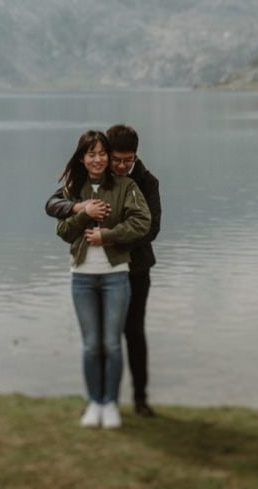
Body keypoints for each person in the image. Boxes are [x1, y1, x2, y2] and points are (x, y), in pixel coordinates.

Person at [47, 124, 161, 417]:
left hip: (134, 268)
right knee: (97, 339)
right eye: (117, 159)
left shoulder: (144, 182)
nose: (122, 165)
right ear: (108, 155)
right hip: (96, 270)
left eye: (129, 160)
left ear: (136, 156)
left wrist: (110, 236)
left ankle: (139, 399)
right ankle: (100, 400)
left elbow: (150, 229)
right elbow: (53, 204)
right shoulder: (90, 181)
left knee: (132, 332)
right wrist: (79, 210)